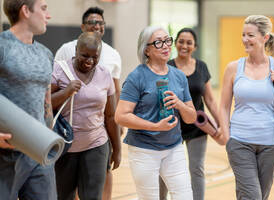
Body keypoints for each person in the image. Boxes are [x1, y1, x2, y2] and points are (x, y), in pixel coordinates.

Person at [218, 15, 274, 200]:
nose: (245, 39)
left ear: (265, 37)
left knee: (259, 196)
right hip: (239, 141)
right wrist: (227, 136)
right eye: (243, 34)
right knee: (252, 196)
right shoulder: (233, 68)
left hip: (271, 145)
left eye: (250, 35)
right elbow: (223, 106)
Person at [115, 25, 196, 200]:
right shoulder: (136, 77)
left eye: (168, 41)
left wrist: (180, 105)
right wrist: (155, 126)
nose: (166, 46)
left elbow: (191, 118)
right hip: (144, 149)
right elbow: (121, 116)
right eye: (159, 43)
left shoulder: (179, 76)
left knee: (185, 195)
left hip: (174, 147)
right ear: (147, 50)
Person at [55, 7, 122, 200]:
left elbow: (110, 115)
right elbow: (45, 104)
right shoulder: (60, 67)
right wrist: (66, 92)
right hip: (65, 145)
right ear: (76, 50)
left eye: (95, 57)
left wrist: (116, 148)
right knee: (64, 196)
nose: (90, 61)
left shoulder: (105, 72)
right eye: (85, 56)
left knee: (92, 196)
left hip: (96, 144)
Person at [0, 0, 56, 199]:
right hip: (5, 156)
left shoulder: (46, 54)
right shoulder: (2, 46)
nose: (48, 16)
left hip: (39, 154)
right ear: (25, 10)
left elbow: (45, 102)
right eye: (43, 8)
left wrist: (48, 136)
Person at [159, 28, 219, 200]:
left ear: (195, 46)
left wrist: (220, 124)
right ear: (175, 43)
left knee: (196, 168)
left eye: (189, 42)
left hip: (197, 127)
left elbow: (210, 100)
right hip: (171, 127)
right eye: (181, 41)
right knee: (165, 169)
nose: (184, 45)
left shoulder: (202, 67)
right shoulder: (167, 66)